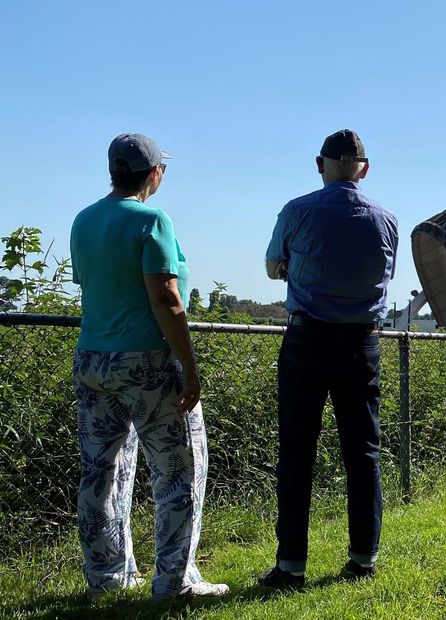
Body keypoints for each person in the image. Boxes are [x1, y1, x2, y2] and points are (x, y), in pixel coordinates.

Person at [70, 133, 228, 600]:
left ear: (113, 170)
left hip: (93, 360)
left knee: (101, 471)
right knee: (179, 470)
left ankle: (106, 577)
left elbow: (96, 285)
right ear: (154, 173)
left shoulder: (84, 219)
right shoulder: (152, 220)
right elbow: (164, 297)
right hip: (146, 362)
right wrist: (189, 366)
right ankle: (174, 582)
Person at [259, 129, 398, 587]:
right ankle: (363, 559)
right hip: (362, 343)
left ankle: (291, 566)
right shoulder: (386, 220)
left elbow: (273, 265)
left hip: (308, 340)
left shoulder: (297, 211)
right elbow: (384, 274)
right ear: (364, 168)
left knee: (297, 452)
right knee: (363, 453)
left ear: (320, 165)